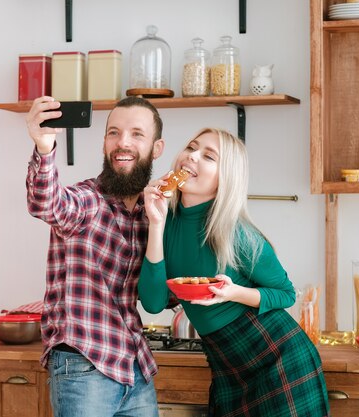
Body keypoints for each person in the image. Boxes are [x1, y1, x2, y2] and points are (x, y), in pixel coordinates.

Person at [139, 127, 330, 417]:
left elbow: (286, 294)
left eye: (208, 156)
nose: (192, 157)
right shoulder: (164, 220)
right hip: (227, 365)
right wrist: (155, 223)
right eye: (191, 148)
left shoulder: (237, 234)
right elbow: (153, 303)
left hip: (280, 359)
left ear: (225, 178)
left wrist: (233, 293)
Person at [25, 95, 166, 417]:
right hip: (83, 362)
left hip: (136, 365)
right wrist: (44, 147)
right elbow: (46, 203)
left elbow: (160, 292)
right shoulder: (86, 201)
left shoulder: (154, 212)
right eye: (113, 133)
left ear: (157, 148)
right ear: (104, 142)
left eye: (136, 134)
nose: (123, 143)